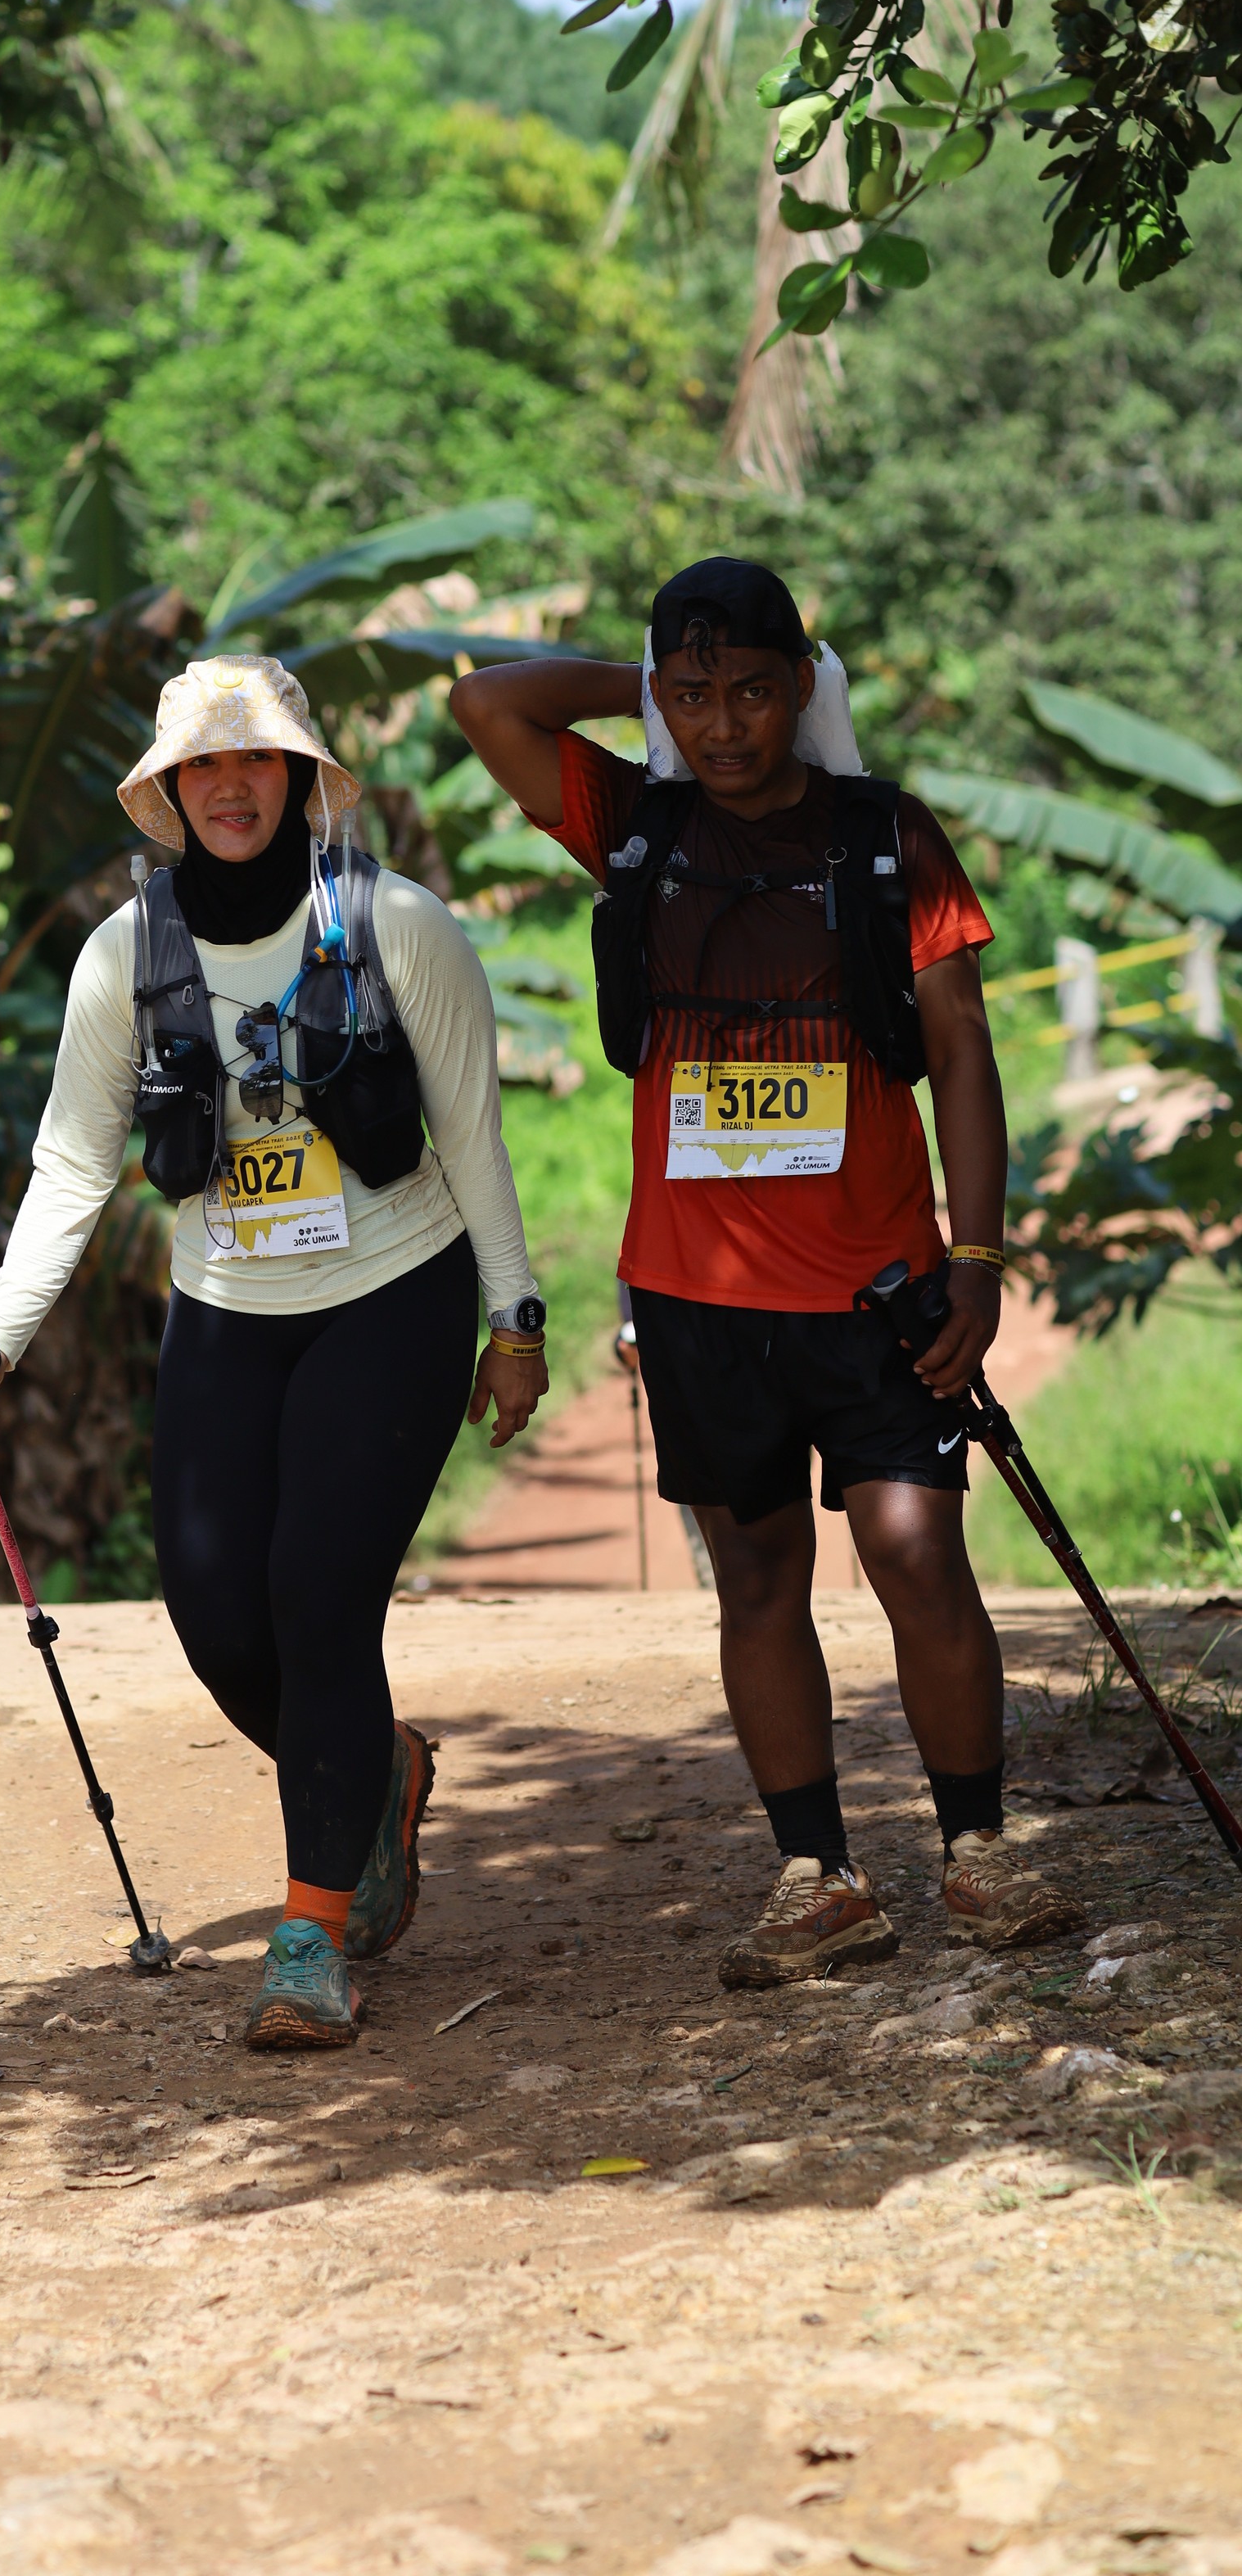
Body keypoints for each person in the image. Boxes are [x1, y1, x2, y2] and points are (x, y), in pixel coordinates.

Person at [449, 558, 1085, 1986]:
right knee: (755, 1582)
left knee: (918, 1559)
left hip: (880, 1293)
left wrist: (978, 1264)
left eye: (752, 688)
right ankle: (818, 1879)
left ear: (805, 686)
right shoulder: (640, 826)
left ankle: (978, 1852)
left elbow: (963, 1052)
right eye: (695, 694)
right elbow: (486, 704)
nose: (724, 722)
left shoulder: (884, 839)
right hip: (699, 1299)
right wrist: (644, 690)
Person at [0, 651, 549, 2045]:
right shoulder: (122, 958)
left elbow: (472, 1135)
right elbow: (72, 1166)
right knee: (218, 1618)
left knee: (320, 1601)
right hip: (224, 1307)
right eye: (200, 765)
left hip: (393, 1293)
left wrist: (513, 1321)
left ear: (298, 776)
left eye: (253, 758)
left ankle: (309, 1939)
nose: (229, 787)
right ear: (167, 790)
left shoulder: (398, 925)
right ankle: (375, 1770)